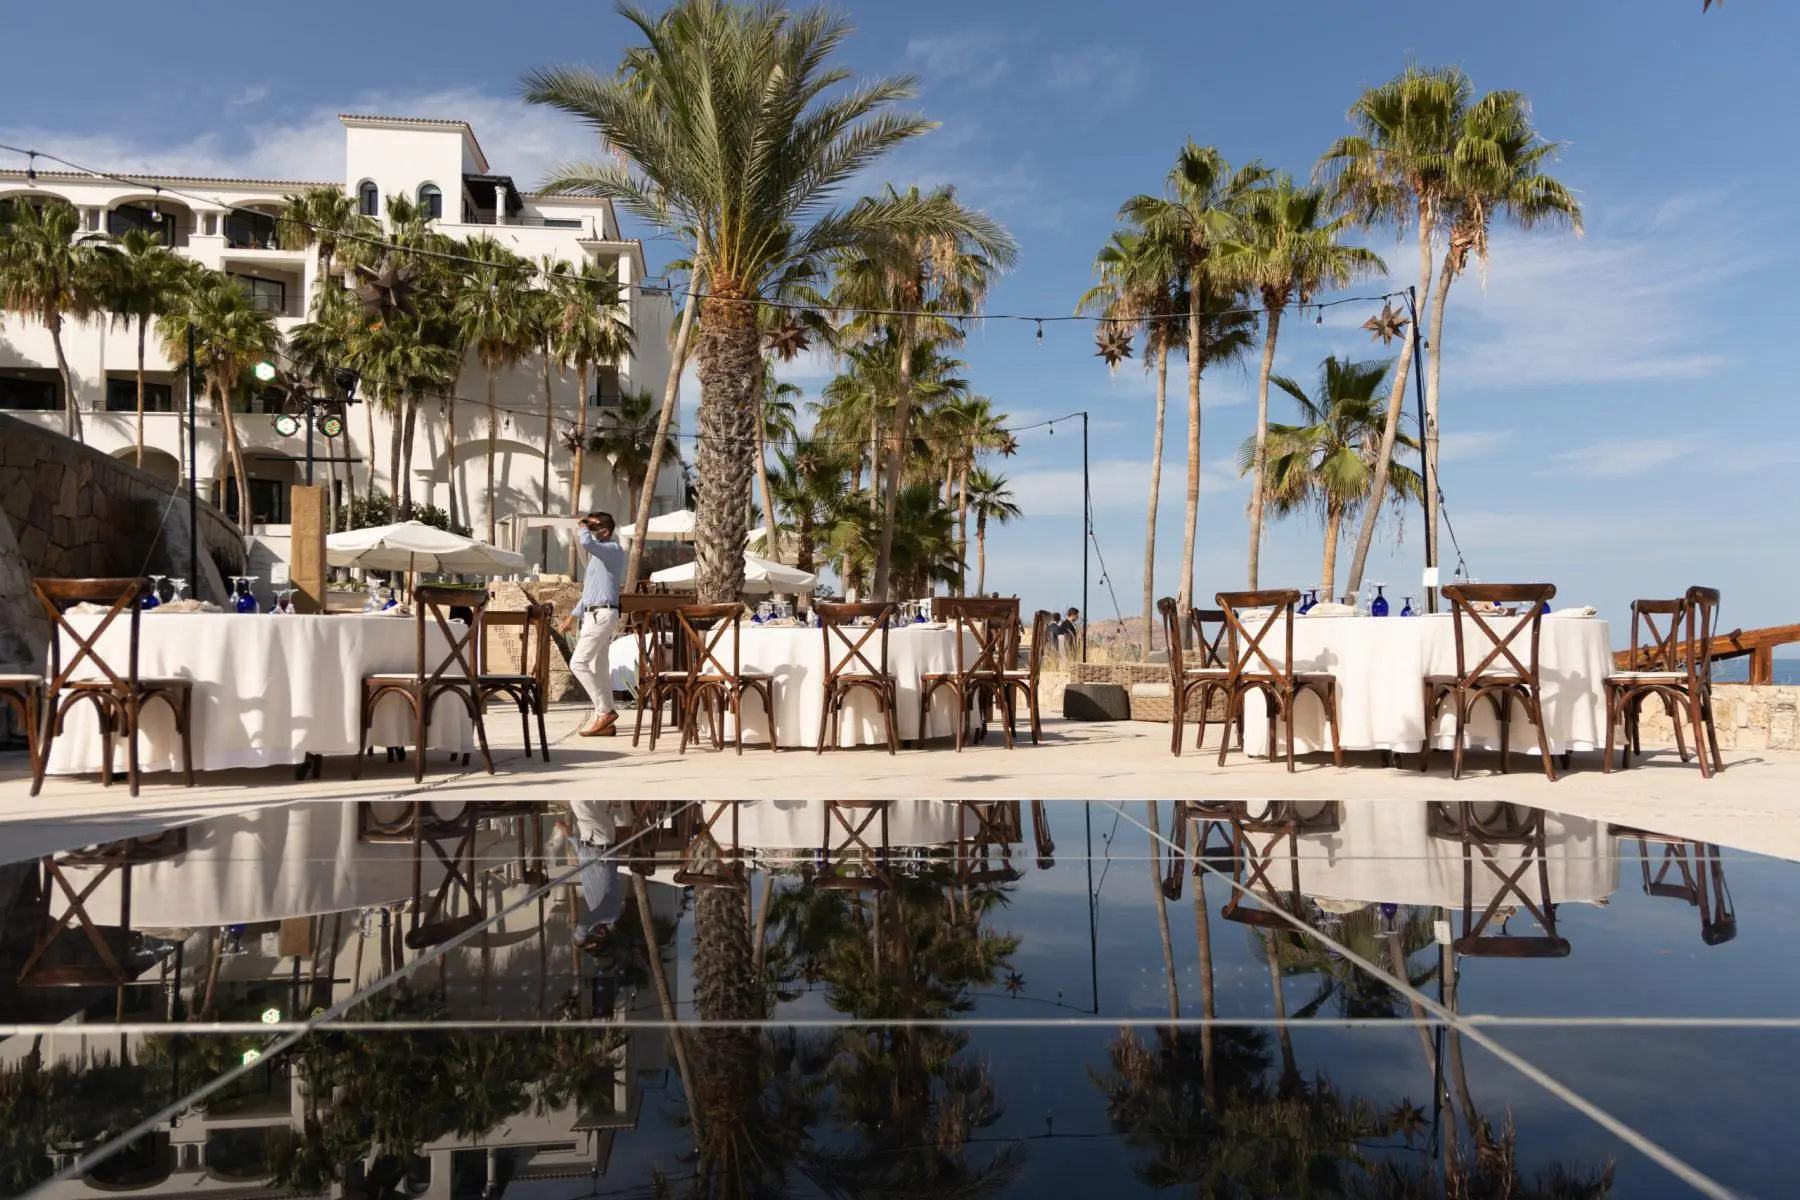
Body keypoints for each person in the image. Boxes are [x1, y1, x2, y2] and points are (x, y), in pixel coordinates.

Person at [563, 511, 626, 737]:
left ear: (605, 531)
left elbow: (586, 541)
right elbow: (590, 591)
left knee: (578, 663)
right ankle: (606, 723)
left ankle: (604, 711)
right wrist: (572, 617)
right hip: (594, 614)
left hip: (602, 614)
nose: (588, 528)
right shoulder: (598, 556)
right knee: (598, 666)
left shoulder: (612, 550)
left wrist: (582, 523)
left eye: (593, 525)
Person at [554, 801, 624, 954]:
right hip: (600, 838)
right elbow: (582, 927)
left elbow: (587, 869)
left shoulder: (595, 907)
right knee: (577, 800)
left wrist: (570, 836)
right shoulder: (610, 914)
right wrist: (579, 943)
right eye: (592, 936)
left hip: (590, 839)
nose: (590, 931)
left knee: (592, 796)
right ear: (601, 934)